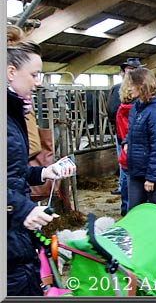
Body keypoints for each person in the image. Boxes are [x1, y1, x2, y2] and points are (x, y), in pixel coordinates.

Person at [7, 24, 75, 296]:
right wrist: (22, 208)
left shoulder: (13, 114)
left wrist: (43, 173)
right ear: (11, 72)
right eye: (34, 74)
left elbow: (10, 171)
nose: (38, 82)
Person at [122, 68, 156, 211]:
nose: (129, 89)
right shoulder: (136, 108)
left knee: (155, 214)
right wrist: (126, 142)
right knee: (135, 213)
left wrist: (151, 177)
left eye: (132, 84)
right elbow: (132, 132)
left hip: (154, 174)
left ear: (142, 85)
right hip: (136, 171)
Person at [107, 57, 144, 195]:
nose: (133, 72)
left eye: (136, 69)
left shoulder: (140, 88)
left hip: (130, 133)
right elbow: (112, 111)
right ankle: (124, 189)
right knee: (125, 162)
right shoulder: (118, 88)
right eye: (130, 69)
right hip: (124, 133)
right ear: (123, 72)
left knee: (127, 163)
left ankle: (125, 191)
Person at [115, 72, 134, 216]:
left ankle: (125, 207)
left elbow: (120, 132)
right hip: (137, 149)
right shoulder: (139, 109)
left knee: (126, 178)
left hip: (124, 147)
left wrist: (123, 142)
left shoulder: (121, 109)